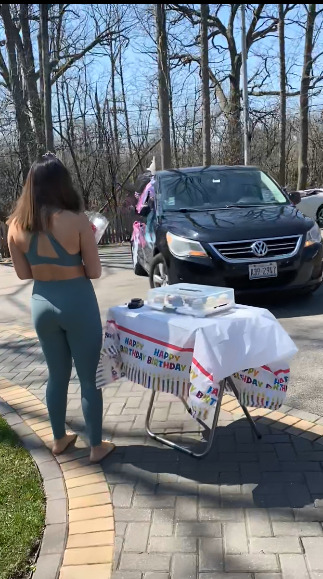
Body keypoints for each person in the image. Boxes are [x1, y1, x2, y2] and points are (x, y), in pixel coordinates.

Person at [7, 153, 115, 463]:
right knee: (88, 378)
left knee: (56, 375)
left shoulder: (15, 225)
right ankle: (96, 446)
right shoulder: (76, 219)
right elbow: (93, 271)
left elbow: (24, 274)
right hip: (77, 302)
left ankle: (58, 439)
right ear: (61, 184)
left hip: (42, 304)